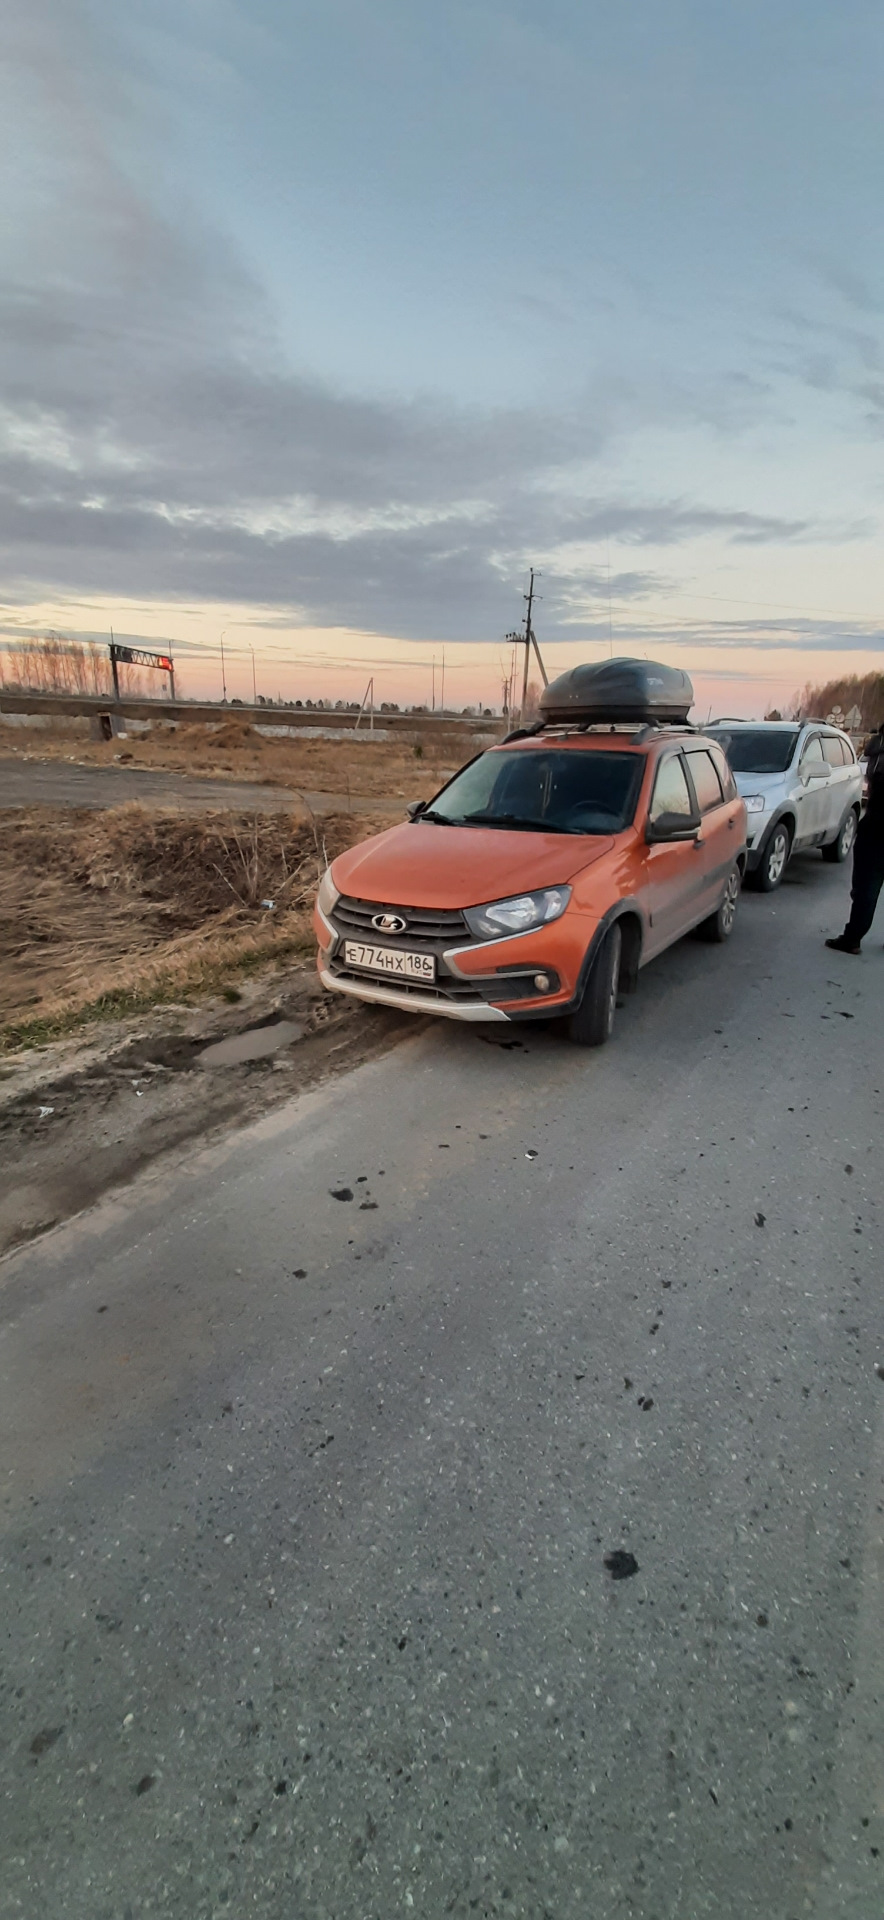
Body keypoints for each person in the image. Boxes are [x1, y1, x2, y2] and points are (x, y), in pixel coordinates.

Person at [826, 725, 884, 954]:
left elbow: (874, 785)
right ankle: (852, 937)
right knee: (866, 887)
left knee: (866, 887)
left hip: (878, 827)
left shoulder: (879, 752)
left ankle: (852, 938)